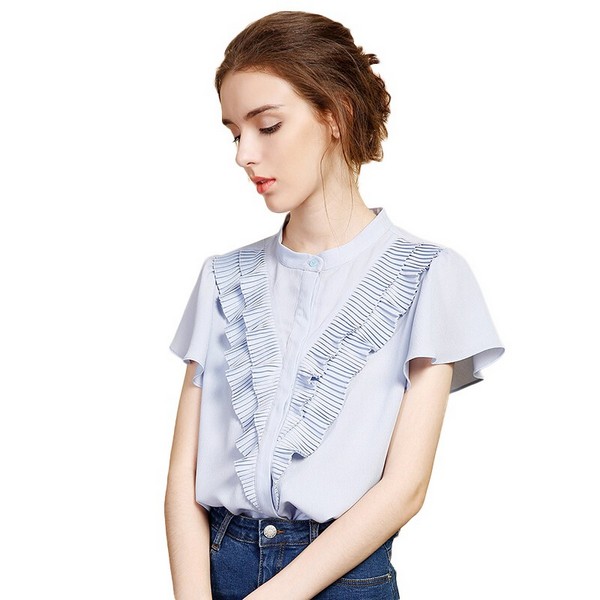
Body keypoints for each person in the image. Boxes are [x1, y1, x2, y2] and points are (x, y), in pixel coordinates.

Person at [164, 10, 505, 600]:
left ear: (337, 115)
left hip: (345, 579)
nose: (243, 154)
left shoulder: (429, 276)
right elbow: (181, 479)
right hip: (216, 572)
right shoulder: (223, 279)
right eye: (234, 133)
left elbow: (404, 489)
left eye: (267, 125)